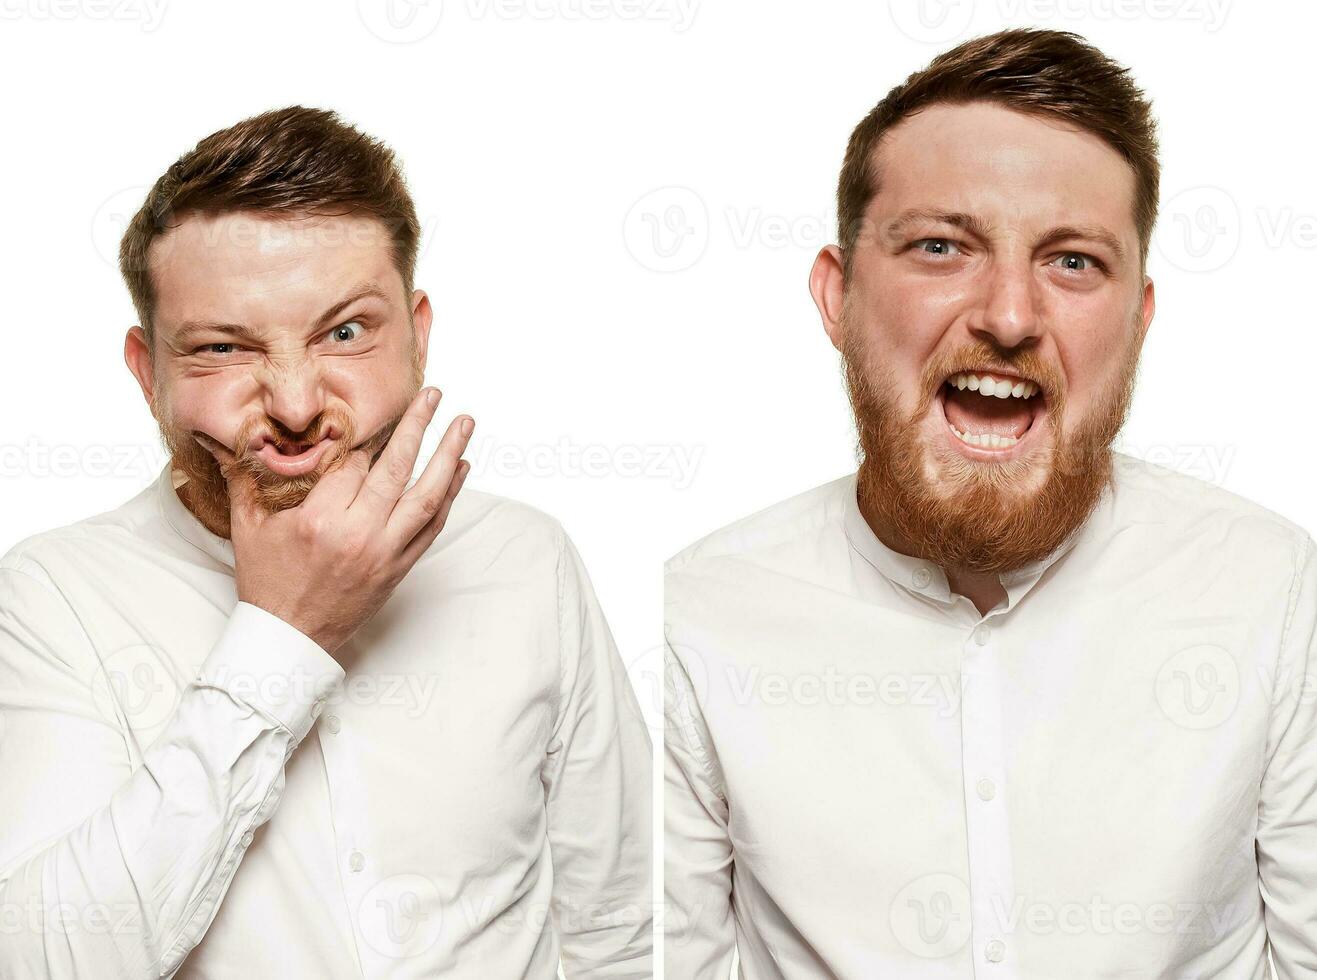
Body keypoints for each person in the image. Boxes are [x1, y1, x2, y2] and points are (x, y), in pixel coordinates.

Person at [663, 28, 1315, 978]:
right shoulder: (696, 615)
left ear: (1137, 319)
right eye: (940, 246)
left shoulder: (1276, 591)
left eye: (1073, 262)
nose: (1008, 316)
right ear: (836, 297)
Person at [0, 105, 651, 978]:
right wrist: (282, 637)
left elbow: (619, 928)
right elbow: (42, 963)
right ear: (147, 371)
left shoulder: (525, 559)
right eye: (223, 348)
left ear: (418, 334)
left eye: (345, 332)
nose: (298, 406)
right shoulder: (54, 595)